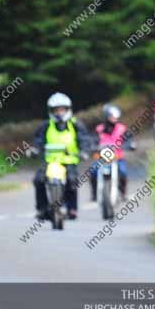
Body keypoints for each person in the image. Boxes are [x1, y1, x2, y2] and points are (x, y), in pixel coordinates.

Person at [32, 92, 92, 220]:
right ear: (51, 111)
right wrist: (35, 150)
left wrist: (85, 151)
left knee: (72, 181)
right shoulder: (46, 125)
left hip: (69, 160)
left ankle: (72, 208)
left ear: (67, 110)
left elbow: (85, 140)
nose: (59, 113)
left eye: (62, 110)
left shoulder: (75, 125)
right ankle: (42, 209)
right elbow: (38, 141)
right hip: (50, 161)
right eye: (56, 110)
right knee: (38, 180)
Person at [91, 104, 128, 201]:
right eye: (112, 117)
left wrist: (130, 145)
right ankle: (94, 194)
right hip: (102, 158)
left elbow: (128, 140)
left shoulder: (122, 128)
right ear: (107, 116)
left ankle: (123, 193)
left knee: (123, 173)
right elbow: (94, 140)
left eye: (115, 117)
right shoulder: (99, 129)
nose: (114, 119)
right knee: (93, 172)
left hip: (117, 157)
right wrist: (93, 147)